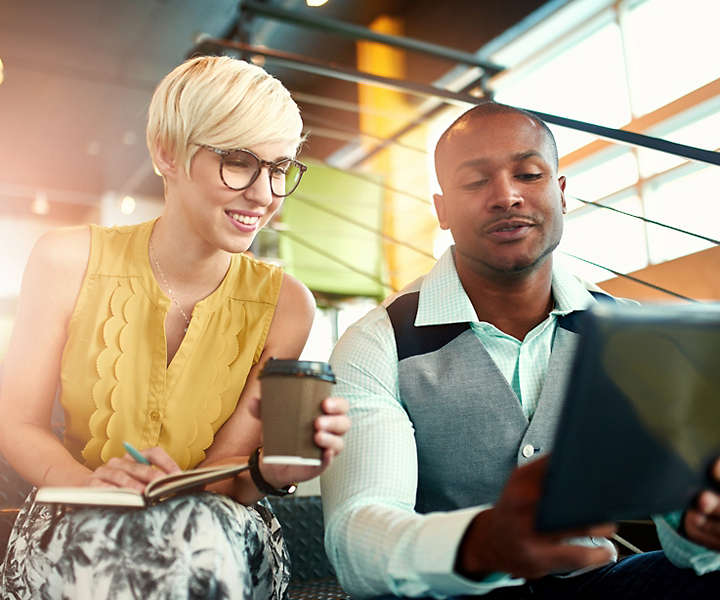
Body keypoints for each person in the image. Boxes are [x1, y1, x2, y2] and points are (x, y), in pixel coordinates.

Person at [321, 102, 720, 599]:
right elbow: (356, 534)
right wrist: (483, 544)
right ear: (442, 211)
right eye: (474, 182)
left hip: (596, 583)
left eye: (529, 174)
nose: (506, 197)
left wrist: (701, 525)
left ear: (561, 192)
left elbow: (689, 544)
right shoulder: (376, 342)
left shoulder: (635, 337)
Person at [0, 55, 350, 599]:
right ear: (167, 153)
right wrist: (90, 486)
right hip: (75, 510)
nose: (264, 195)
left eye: (279, 168)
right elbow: (17, 425)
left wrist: (272, 471)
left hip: (216, 524)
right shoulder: (65, 260)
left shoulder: (286, 304)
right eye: (238, 161)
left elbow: (225, 477)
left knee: (191, 547)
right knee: (111, 555)